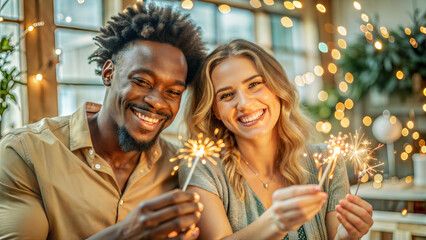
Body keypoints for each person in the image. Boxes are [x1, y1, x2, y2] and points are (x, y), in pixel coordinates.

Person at [0, 3, 207, 239]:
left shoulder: (180, 167)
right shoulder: (26, 152)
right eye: (142, 81)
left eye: (173, 92)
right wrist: (125, 234)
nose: (157, 102)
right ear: (108, 73)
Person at [180, 39, 373, 240]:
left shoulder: (327, 162)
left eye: (254, 84)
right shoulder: (202, 169)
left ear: (276, 88)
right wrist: (274, 222)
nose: (244, 104)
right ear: (215, 111)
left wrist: (347, 236)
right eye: (227, 95)